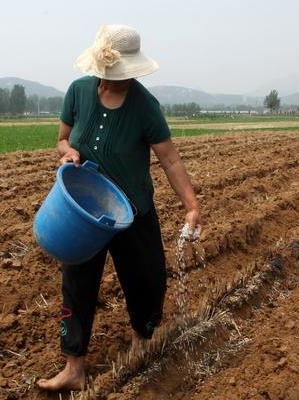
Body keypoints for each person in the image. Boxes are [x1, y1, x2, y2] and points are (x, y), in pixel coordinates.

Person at [37, 25, 201, 391]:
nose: (116, 80)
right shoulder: (78, 92)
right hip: (84, 211)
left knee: (147, 280)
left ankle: (141, 343)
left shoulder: (145, 107)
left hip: (133, 211)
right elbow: (61, 139)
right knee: (77, 285)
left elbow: (170, 159)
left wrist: (192, 206)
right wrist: (69, 153)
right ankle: (74, 367)